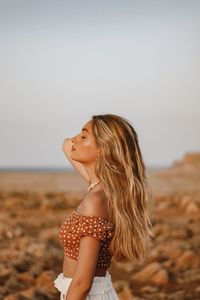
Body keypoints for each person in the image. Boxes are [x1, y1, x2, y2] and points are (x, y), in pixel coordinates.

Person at [53, 113, 152, 300]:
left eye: (83, 137)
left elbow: (82, 283)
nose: (75, 139)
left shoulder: (96, 201)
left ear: (102, 149)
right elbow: (67, 145)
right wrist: (83, 137)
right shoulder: (101, 188)